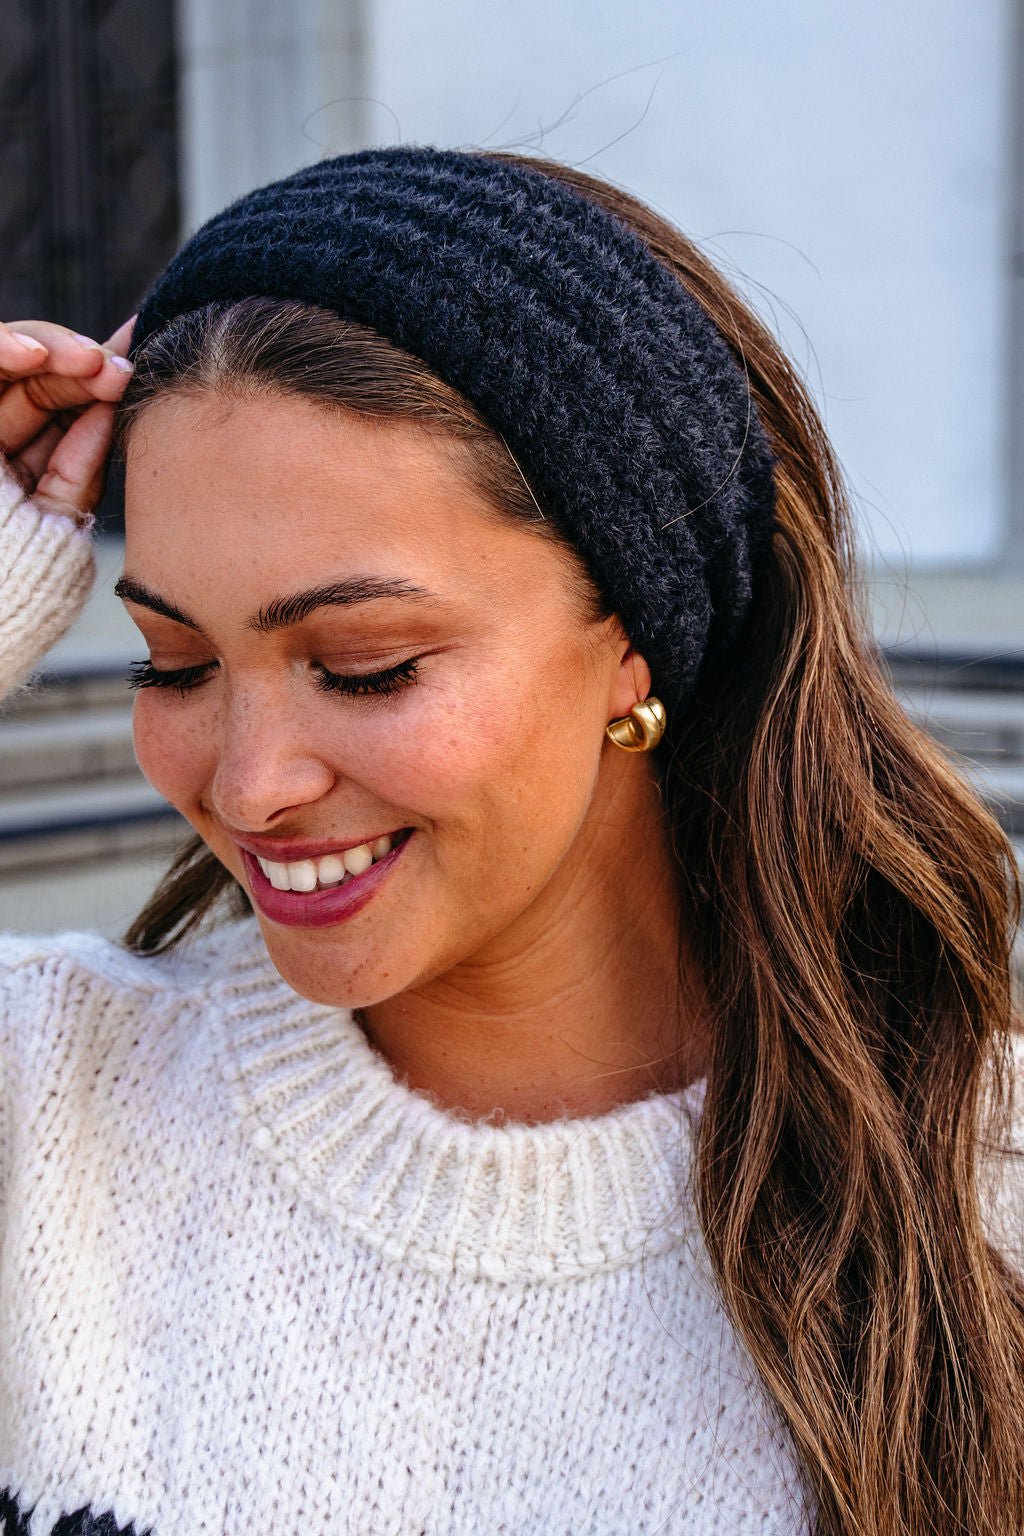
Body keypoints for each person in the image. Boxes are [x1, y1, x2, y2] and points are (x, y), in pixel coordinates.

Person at [0, 147, 1022, 1536]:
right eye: (173, 663)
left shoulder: (977, 1195)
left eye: (364, 666)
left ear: (631, 643)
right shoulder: (48, 1107)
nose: (248, 786)